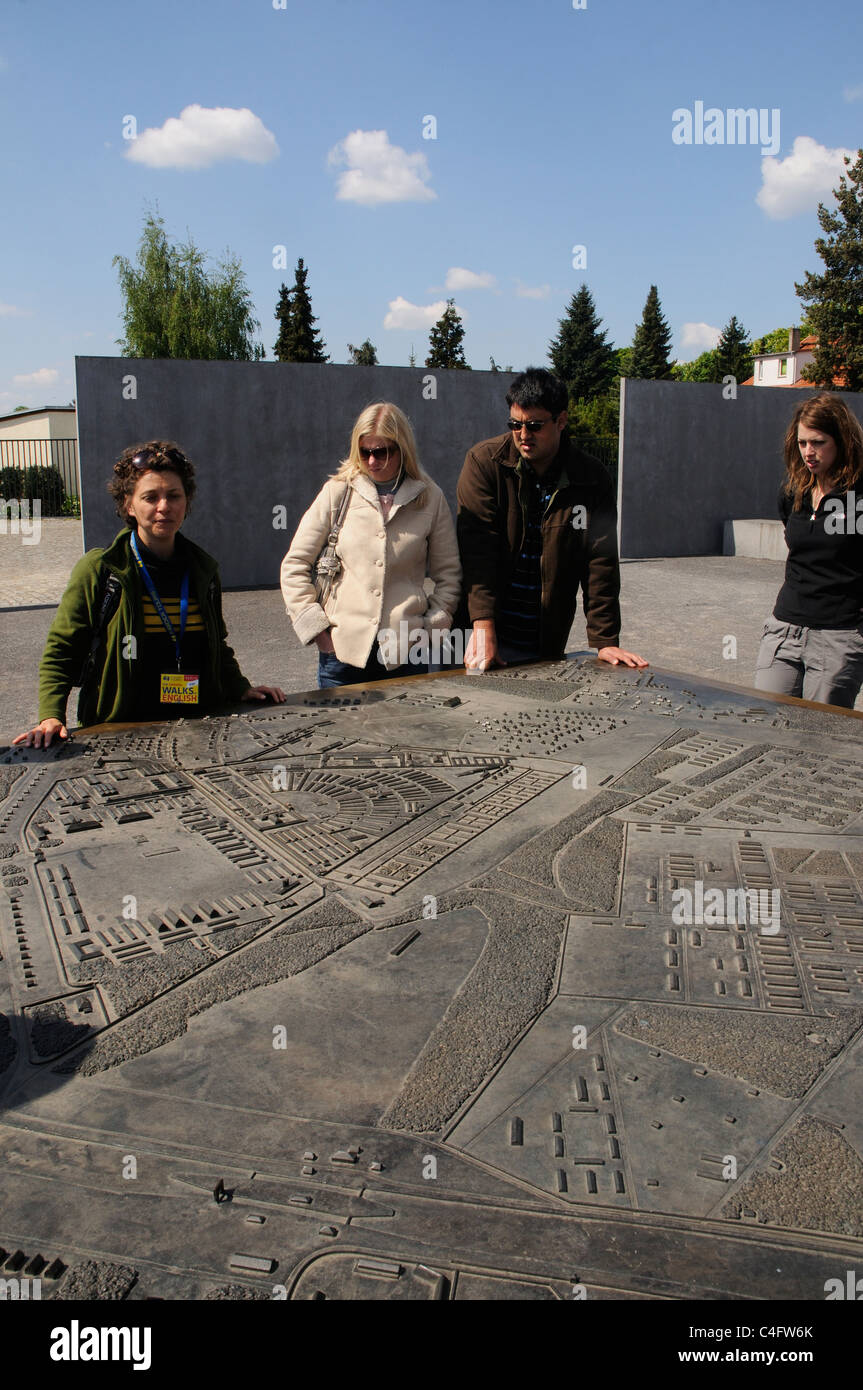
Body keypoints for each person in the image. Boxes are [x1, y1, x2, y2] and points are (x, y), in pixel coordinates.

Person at [14, 440, 285, 747]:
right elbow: (62, 649)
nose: (164, 507)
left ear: (186, 502)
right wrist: (51, 715)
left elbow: (216, 645)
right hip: (118, 732)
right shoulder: (101, 570)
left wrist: (239, 686)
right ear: (129, 504)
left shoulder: (202, 569)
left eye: (173, 496)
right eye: (150, 497)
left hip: (198, 729)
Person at [456, 367, 647, 670]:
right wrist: (482, 624)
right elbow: (478, 550)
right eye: (515, 424)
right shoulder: (484, 463)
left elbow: (600, 561)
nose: (522, 435)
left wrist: (605, 640)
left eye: (533, 425)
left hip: (542, 640)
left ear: (561, 421)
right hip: (479, 634)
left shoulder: (591, 478)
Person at [281, 401, 461, 688]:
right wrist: (318, 631)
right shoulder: (338, 492)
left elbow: (449, 575)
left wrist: (429, 629)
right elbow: (294, 565)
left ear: (402, 449)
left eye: (382, 452)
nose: (372, 461)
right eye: (365, 452)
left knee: (406, 734)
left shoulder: (430, 497)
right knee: (338, 734)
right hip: (341, 656)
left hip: (405, 656)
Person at [754, 393, 863, 708]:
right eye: (802, 443)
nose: (809, 452)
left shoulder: (858, 497)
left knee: (818, 740)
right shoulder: (792, 493)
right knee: (766, 719)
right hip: (785, 628)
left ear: (842, 441)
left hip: (838, 636)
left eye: (818, 442)